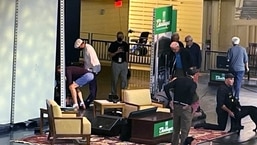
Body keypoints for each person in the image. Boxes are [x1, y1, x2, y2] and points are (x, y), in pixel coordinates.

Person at [164, 67, 198, 145]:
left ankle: (174, 143)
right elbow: (191, 93)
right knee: (184, 130)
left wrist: (170, 100)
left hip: (176, 106)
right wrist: (188, 104)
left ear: (186, 73)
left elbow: (166, 87)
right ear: (195, 75)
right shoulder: (193, 84)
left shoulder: (178, 80)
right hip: (185, 108)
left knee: (176, 129)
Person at [74, 39, 101, 108]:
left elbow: (93, 60)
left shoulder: (89, 49)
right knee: (92, 87)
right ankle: (88, 101)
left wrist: (94, 72)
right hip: (90, 70)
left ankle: (88, 102)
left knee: (93, 88)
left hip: (93, 70)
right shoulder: (85, 49)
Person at [108, 31, 129, 95]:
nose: (120, 37)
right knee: (115, 79)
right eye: (119, 36)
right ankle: (113, 93)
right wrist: (117, 52)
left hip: (123, 63)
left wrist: (127, 62)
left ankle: (123, 94)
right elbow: (109, 54)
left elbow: (127, 53)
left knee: (124, 79)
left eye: (121, 36)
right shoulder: (113, 44)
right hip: (116, 63)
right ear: (117, 37)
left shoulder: (125, 44)